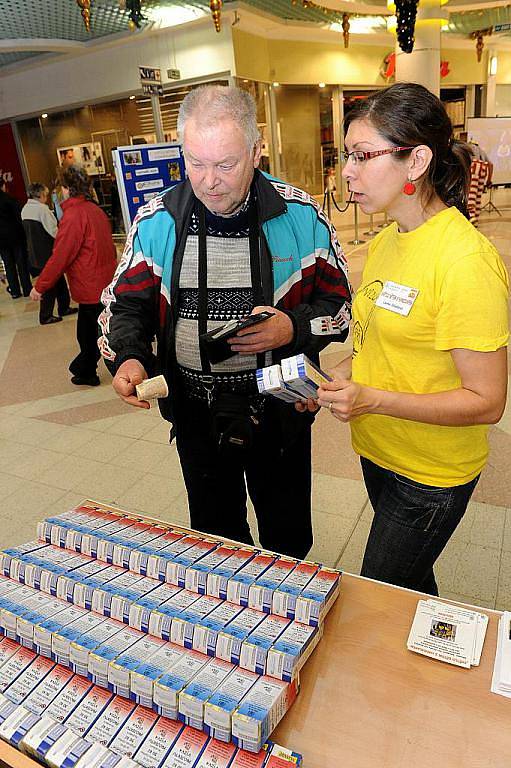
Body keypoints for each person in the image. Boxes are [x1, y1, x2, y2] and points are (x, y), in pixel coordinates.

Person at [99, 85, 351, 559]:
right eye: (195, 162)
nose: (209, 180)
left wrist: (291, 328)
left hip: (280, 410)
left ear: (257, 151)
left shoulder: (301, 217)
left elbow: (339, 311)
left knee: (288, 538)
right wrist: (131, 358)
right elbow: (125, 306)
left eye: (226, 164)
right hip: (195, 413)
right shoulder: (158, 221)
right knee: (215, 541)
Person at [306, 82, 509, 594]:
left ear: (416, 161)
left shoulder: (464, 261)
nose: (347, 172)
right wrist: (341, 376)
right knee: (412, 587)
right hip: (380, 452)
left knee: (378, 597)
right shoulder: (385, 242)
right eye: (346, 156)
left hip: (430, 474)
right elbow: (377, 341)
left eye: (362, 156)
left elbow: (487, 401)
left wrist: (372, 398)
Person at [30, 165, 117, 386]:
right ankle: (85, 368)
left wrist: (40, 286)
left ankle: (87, 369)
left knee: (91, 334)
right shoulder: (95, 210)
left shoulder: (73, 216)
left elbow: (61, 256)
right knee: (96, 330)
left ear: (67, 188)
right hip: (105, 281)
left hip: (89, 286)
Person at [21, 182, 77, 325]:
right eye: (45, 195)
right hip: (47, 252)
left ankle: (64, 307)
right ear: (40, 195)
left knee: (59, 283)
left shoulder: (25, 209)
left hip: (35, 253)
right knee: (50, 286)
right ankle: (45, 316)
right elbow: (54, 232)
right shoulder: (42, 210)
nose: (46, 198)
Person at [0, 178, 32, 299]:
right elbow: (20, 217)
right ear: (3, 186)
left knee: (8, 265)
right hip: (15, 236)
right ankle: (27, 289)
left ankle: (14, 291)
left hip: (1, 240)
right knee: (21, 263)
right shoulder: (9, 199)